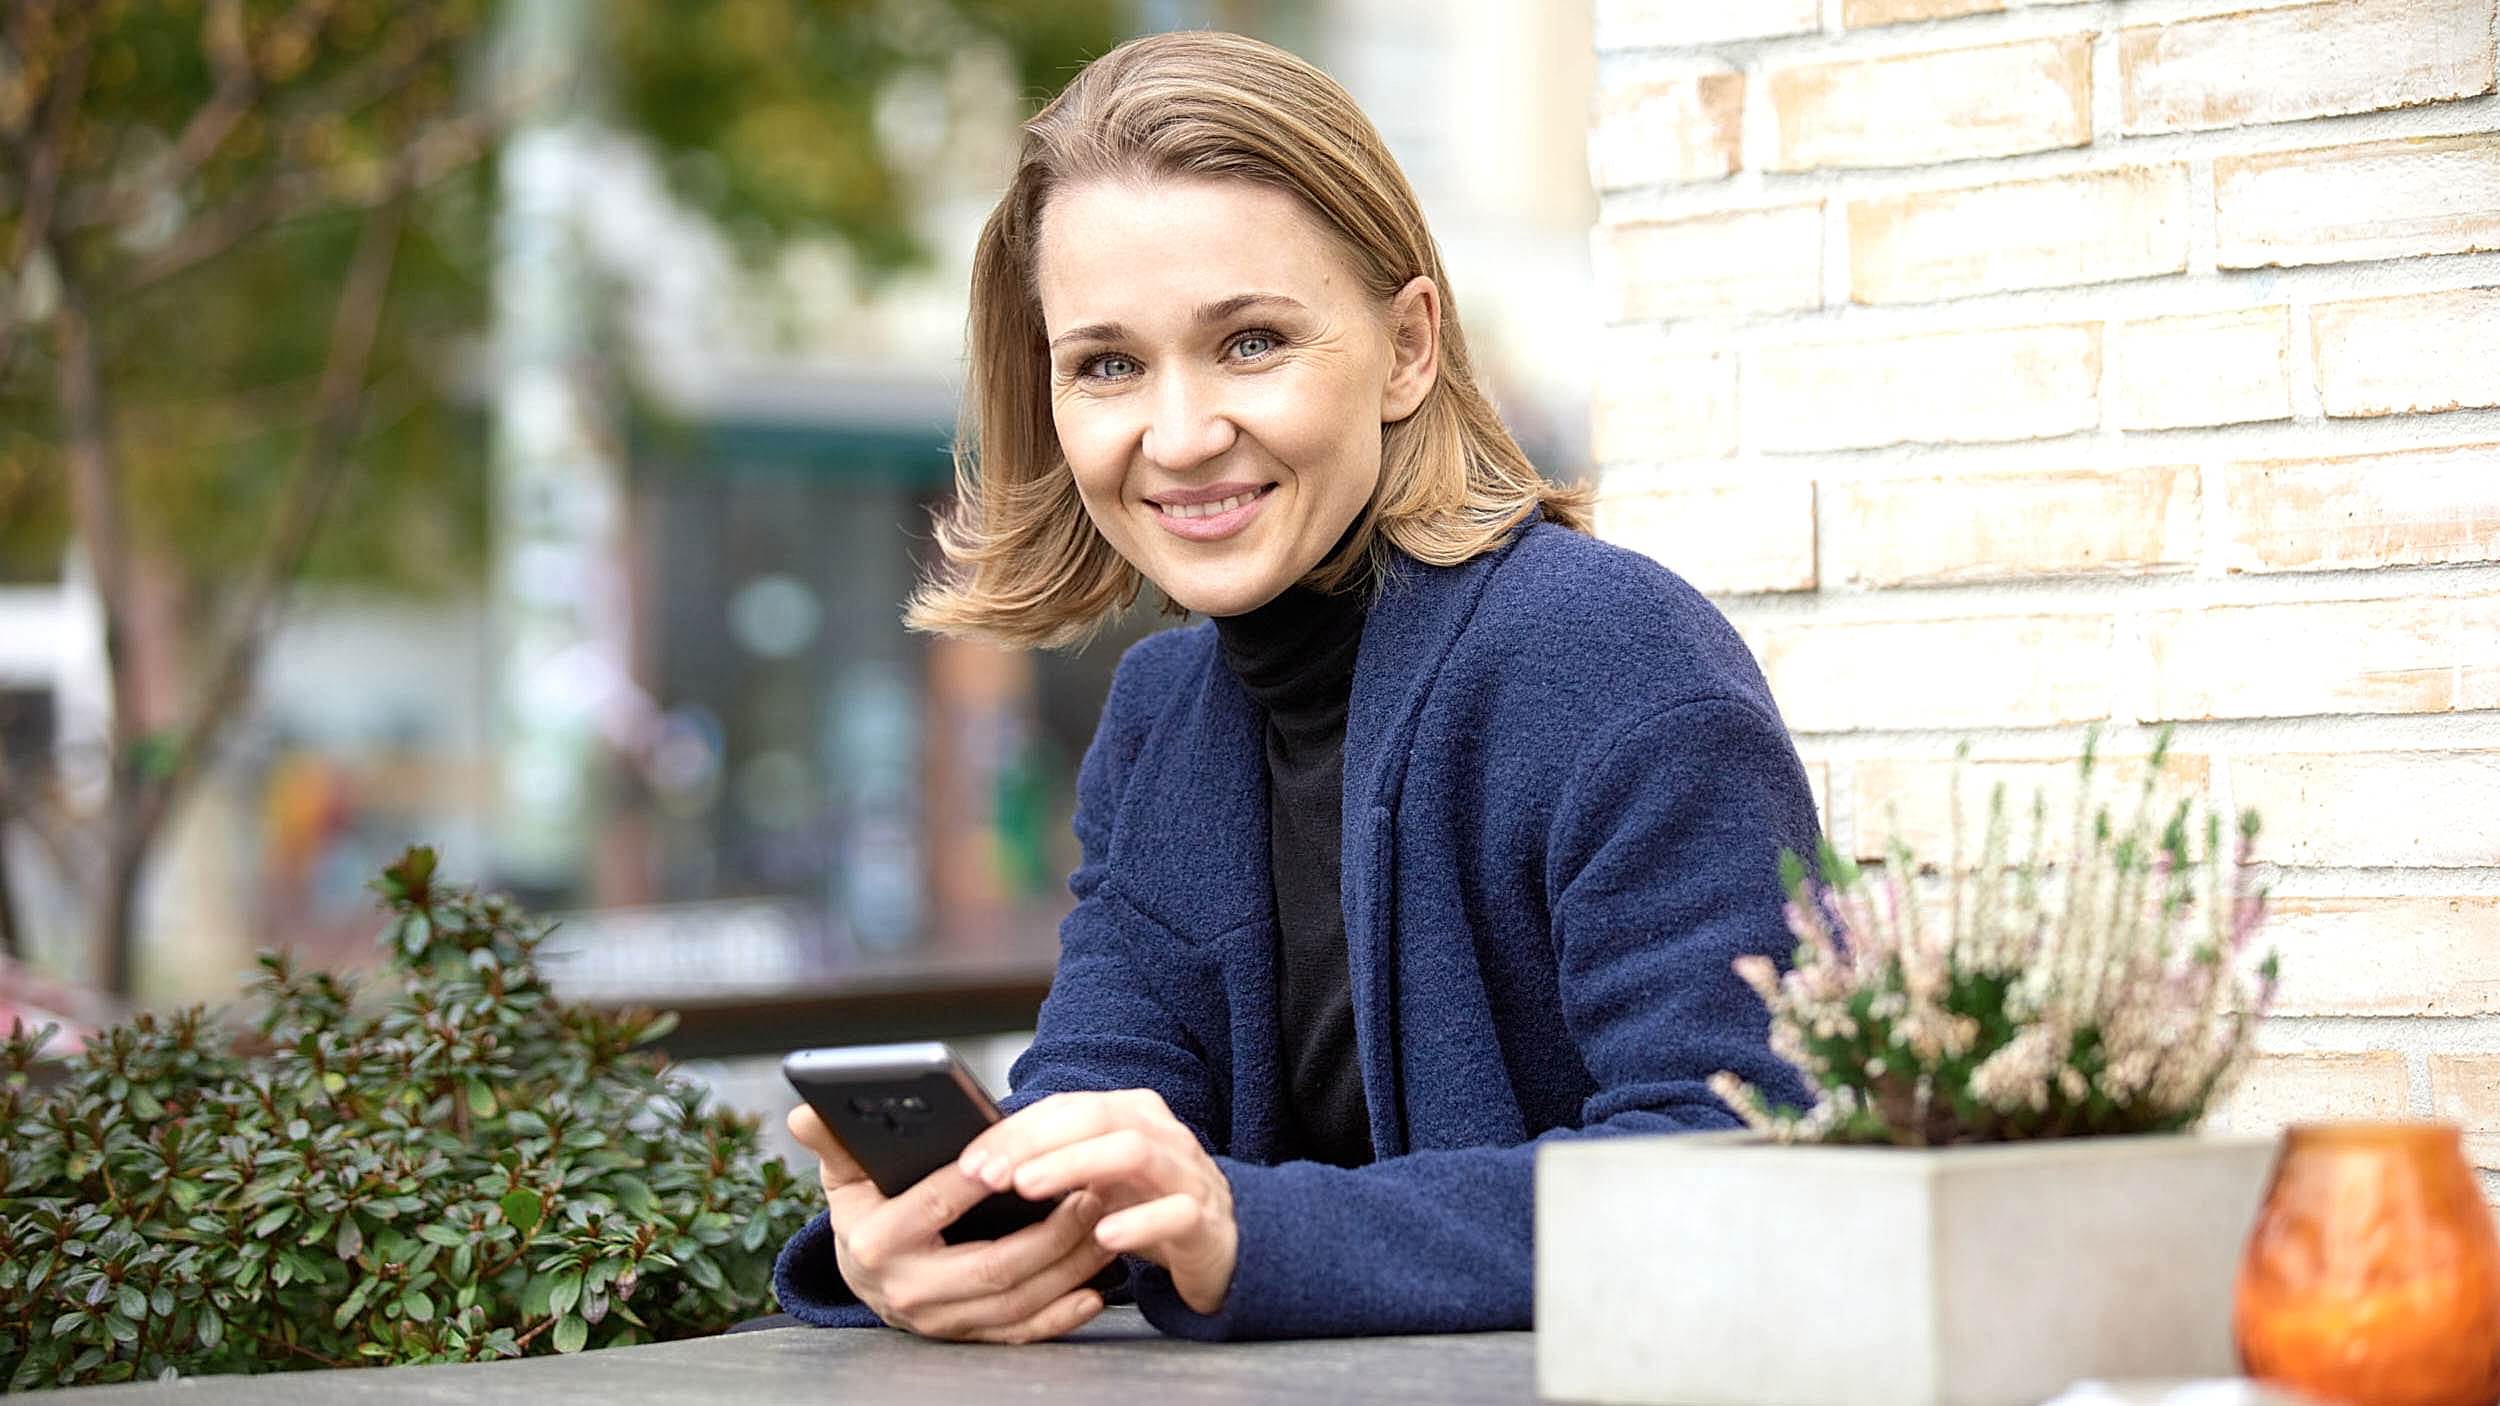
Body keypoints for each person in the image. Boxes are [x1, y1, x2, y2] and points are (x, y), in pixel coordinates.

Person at [770, 30, 1817, 1344]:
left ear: (1408, 348)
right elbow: (1104, 1110)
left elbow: (1741, 1156)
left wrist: (1244, 1231)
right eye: (1107, 363)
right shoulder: (1162, 718)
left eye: (1251, 341)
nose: (1180, 432)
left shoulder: (1615, 657)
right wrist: (936, 1242)